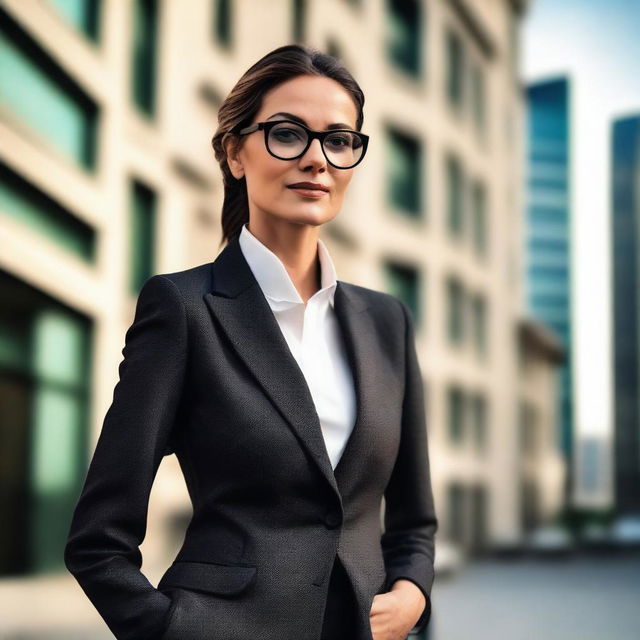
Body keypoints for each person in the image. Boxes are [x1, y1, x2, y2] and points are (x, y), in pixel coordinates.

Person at [64, 43, 438, 640]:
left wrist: (412, 592)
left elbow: (413, 518)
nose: (317, 159)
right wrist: (176, 632)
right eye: (288, 134)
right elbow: (97, 542)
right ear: (236, 153)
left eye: (339, 140)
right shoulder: (184, 309)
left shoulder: (387, 320)